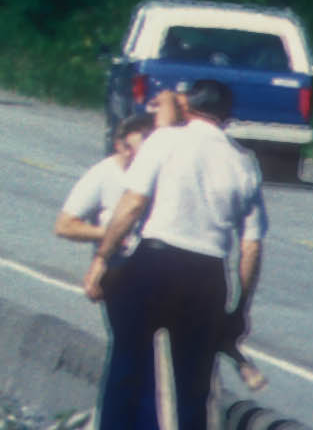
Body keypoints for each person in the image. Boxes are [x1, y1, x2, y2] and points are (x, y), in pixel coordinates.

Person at [88, 80, 272, 430]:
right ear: (226, 117)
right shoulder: (243, 163)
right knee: (194, 382)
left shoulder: (166, 140)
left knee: (128, 361)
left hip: (155, 262)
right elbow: (251, 247)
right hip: (207, 275)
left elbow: (131, 205)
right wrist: (240, 308)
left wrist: (104, 258)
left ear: (188, 108)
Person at [57, 106, 154, 430]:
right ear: (120, 145)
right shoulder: (104, 174)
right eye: (134, 149)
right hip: (120, 272)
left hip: (161, 273)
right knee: (131, 347)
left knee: (157, 352)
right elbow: (65, 225)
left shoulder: (160, 175)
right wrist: (110, 232)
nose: (140, 157)